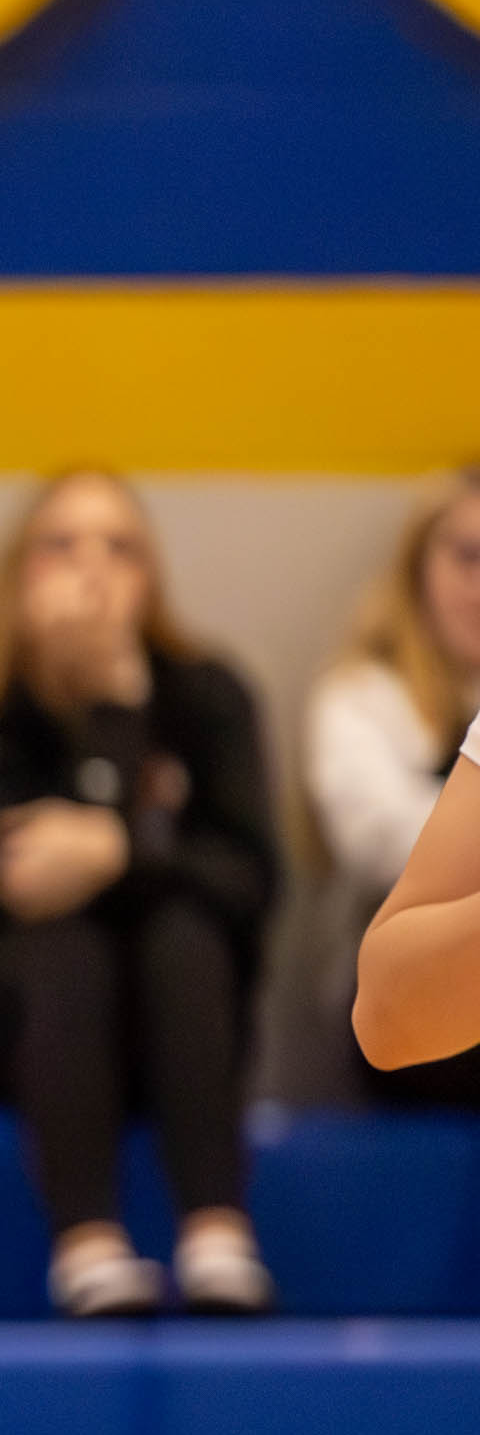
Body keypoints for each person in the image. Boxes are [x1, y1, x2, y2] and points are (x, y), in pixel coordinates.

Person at [0, 469, 280, 1316]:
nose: (92, 572)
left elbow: (248, 882)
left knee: (183, 932)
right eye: (61, 546)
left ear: (153, 578)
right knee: (65, 942)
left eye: (120, 548)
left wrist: (116, 847)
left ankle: (218, 1237)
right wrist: (116, 741)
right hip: (5, 1023)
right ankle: (87, 1249)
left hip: (175, 1020)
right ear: (17, 573)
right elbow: (15, 885)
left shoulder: (206, 696)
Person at [306, 470, 480, 1104]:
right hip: (406, 1009)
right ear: (417, 568)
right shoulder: (361, 697)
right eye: (468, 556)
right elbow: (378, 839)